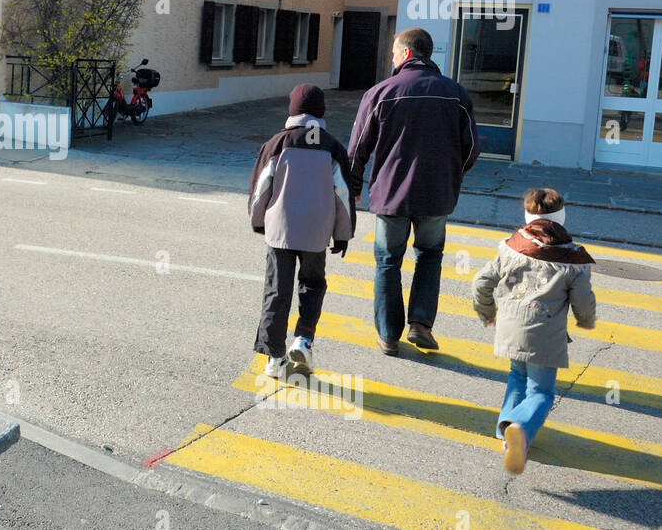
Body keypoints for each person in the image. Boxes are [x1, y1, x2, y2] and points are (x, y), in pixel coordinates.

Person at [348, 28, 479, 356]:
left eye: (393, 52)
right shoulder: (456, 94)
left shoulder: (381, 92)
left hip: (391, 195)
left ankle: (389, 335)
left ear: (406, 53)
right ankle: (420, 324)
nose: (391, 58)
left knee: (388, 261)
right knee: (430, 255)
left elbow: (357, 148)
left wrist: (352, 187)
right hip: (437, 194)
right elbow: (472, 147)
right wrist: (451, 175)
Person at [472, 188, 596, 474]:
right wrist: (586, 320)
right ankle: (521, 428)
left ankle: (506, 432)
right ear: (562, 217)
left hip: (510, 328)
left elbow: (481, 282)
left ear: (528, 215)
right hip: (544, 334)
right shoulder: (573, 259)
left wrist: (488, 313)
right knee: (541, 392)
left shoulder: (510, 246)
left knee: (518, 375)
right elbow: (583, 301)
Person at [248, 84, 356, 377]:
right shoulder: (333, 147)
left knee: (277, 290)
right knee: (312, 284)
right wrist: (343, 234)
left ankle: (274, 358)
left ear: (292, 109)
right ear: (322, 111)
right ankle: (304, 339)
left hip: (280, 230)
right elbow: (343, 195)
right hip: (316, 233)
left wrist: (258, 220)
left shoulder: (277, 143)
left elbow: (261, 191)